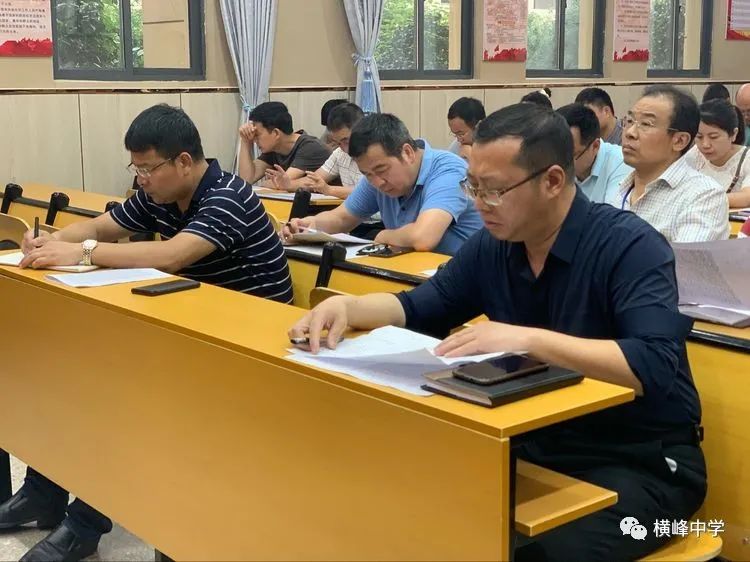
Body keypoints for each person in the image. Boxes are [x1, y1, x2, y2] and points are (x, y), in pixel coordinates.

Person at [289, 102, 706, 562]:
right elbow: (421, 306)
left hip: (643, 462)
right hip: (536, 443)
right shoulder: (495, 245)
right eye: (472, 186)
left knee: (534, 554)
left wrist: (525, 338)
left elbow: (651, 366)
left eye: (493, 190)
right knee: (405, 507)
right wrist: (349, 307)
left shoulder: (631, 247)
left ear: (552, 181)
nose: (477, 203)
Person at [4, 104, 293, 562]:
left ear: (183, 161)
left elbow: (172, 255)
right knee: (70, 377)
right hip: (194, 328)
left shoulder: (228, 195)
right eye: (135, 169)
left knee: (124, 399)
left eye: (146, 169)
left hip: (256, 347)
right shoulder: (159, 194)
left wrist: (83, 252)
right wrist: (54, 241)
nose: (140, 180)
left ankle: (84, 526)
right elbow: (100, 226)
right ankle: (44, 493)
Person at [282, 113, 482, 256]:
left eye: (381, 170)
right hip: (413, 273)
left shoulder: (448, 170)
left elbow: (423, 237)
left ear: (407, 153)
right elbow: (341, 218)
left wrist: (383, 235)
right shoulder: (375, 176)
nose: (377, 182)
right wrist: (309, 227)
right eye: (367, 174)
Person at [613, 85, 729, 242]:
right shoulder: (621, 189)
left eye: (646, 124)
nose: (629, 132)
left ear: (679, 141)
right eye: (629, 121)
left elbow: (685, 258)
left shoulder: (704, 196)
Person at [270, 103, 364, 200]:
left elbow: (368, 191)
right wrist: (288, 185)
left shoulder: (372, 154)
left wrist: (329, 190)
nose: (345, 149)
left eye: (346, 141)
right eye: (338, 143)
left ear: (361, 129)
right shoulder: (339, 153)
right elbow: (314, 180)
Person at [237, 101, 331, 188]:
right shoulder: (274, 149)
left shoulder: (310, 147)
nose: (254, 140)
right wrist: (245, 140)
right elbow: (247, 180)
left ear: (276, 133)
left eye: (257, 135)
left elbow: (282, 184)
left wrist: (265, 183)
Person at [557, 103, 632, 203]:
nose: (559, 164)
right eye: (555, 154)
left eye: (568, 156)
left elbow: (612, 211)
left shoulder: (620, 163)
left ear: (595, 146)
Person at [685, 99, 750, 209]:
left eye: (713, 137)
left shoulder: (746, 159)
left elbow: (746, 198)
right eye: (699, 137)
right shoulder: (695, 154)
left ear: (734, 134)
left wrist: (702, 200)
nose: (705, 144)